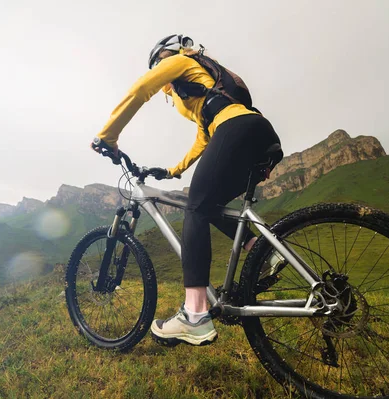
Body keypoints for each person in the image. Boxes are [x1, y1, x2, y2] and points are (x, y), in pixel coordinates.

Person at [92, 34, 282, 346]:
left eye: (158, 64)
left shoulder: (180, 62)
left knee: (195, 206)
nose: (162, 77)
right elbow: (203, 139)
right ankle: (263, 253)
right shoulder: (205, 91)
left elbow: (141, 90)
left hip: (236, 128)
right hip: (256, 131)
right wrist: (172, 171)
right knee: (210, 204)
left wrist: (108, 136)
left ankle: (195, 316)